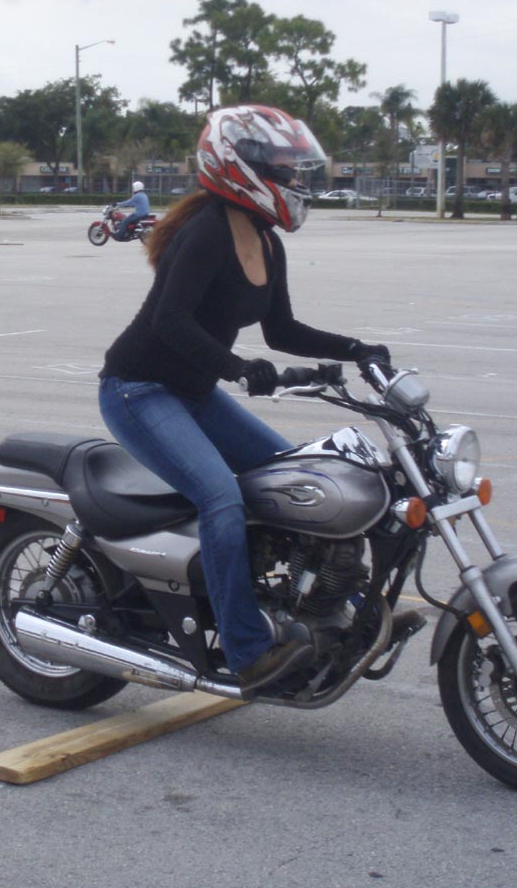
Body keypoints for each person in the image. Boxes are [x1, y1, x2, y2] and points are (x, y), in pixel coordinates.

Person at [97, 105, 391, 691]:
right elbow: (169, 322)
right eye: (284, 167)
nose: (294, 178)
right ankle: (246, 649)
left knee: (301, 480)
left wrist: (357, 349)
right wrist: (236, 368)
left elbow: (282, 330)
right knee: (221, 498)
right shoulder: (205, 234)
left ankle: (323, 611)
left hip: (193, 391)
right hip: (138, 390)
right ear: (241, 167)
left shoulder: (266, 242)